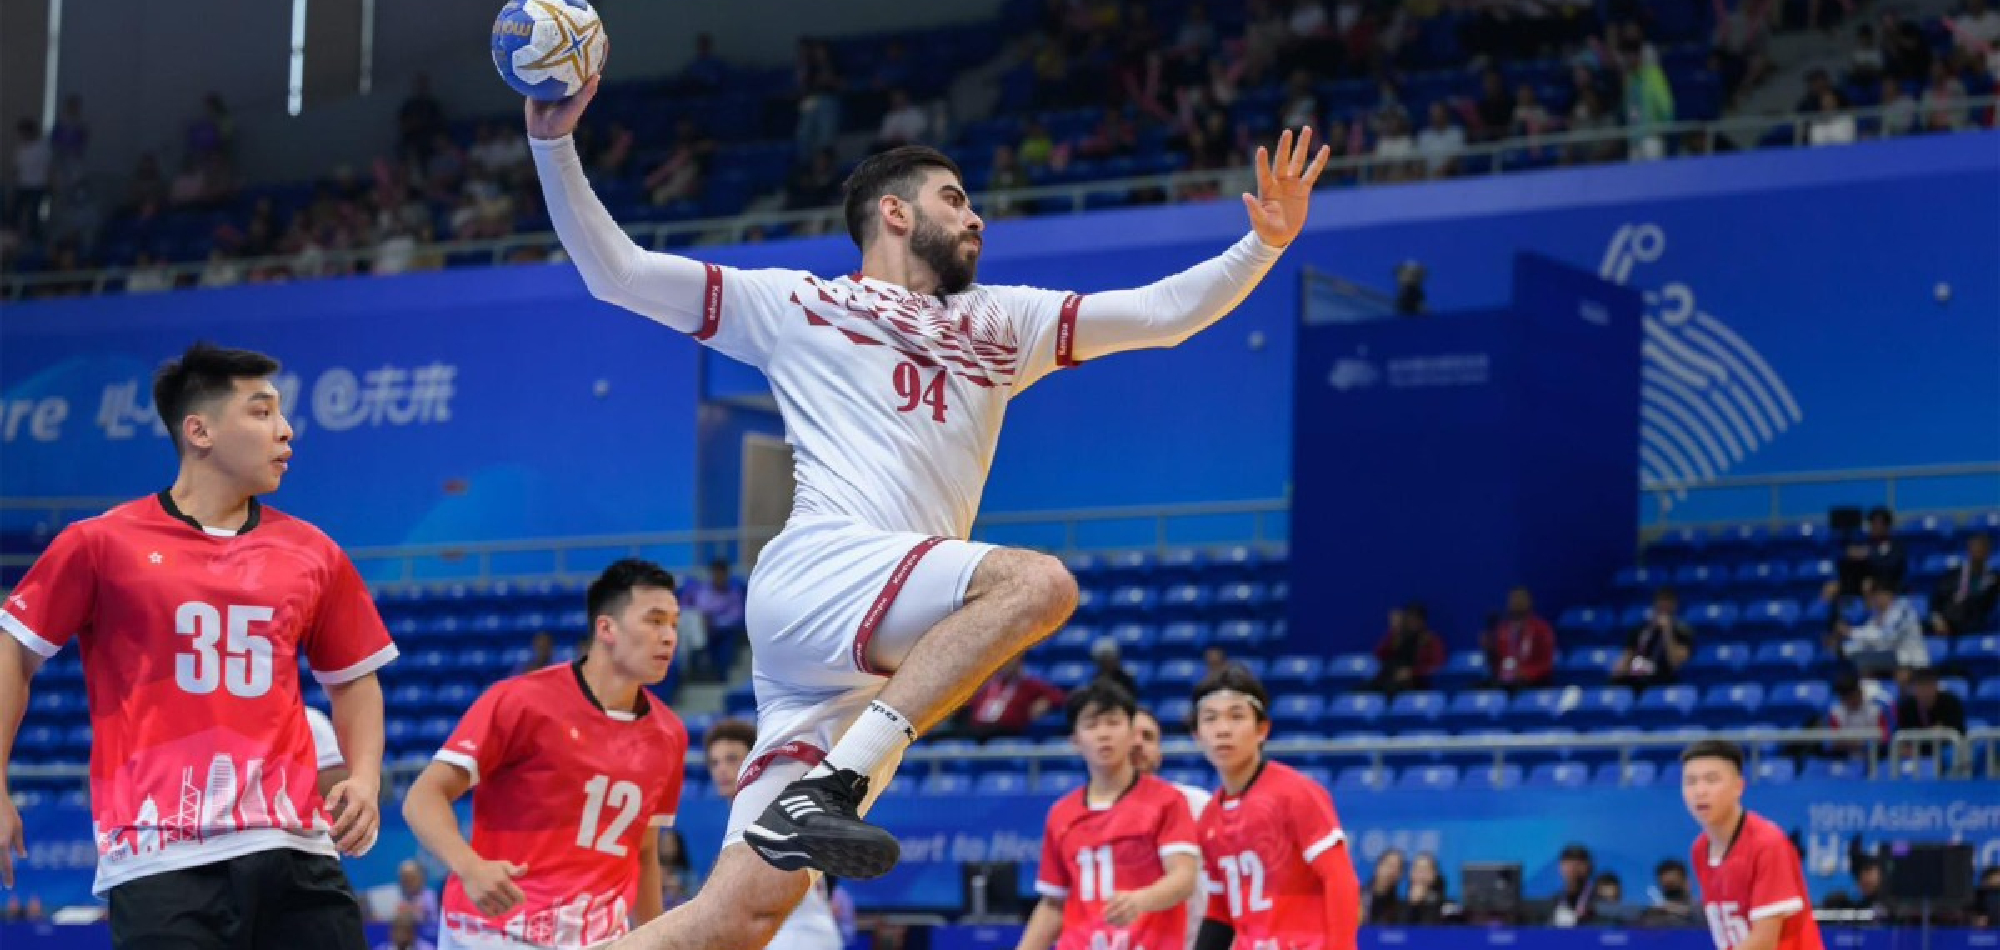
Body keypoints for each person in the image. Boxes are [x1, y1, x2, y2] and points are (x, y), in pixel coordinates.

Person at [526, 76, 1331, 950]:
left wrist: (1261, 244)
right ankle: (829, 791)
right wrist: (551, 140)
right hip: (828, 570)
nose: (977, 217)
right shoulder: (797, 303)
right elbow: (616, 272)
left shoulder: (1005, 321)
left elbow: (1163, 315)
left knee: (737, 920)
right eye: (956, 199)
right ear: (895, 214)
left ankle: (818, 791)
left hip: (874, 654)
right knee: (1037, 584)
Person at [0, 342, 392, 949]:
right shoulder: (100, 544)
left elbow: (354, 679)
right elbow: (13, 651)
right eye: (262, 413)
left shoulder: (315, 552)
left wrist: (364, 778)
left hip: (295, 845)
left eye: (281, 414)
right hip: (160, 855)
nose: (286, 431)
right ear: (199, 430)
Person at [401, 559, 688, 950]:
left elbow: (644, 848)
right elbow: (423, 796)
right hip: (494, 932)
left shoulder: (670, 734)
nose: (669, 636)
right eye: (654, 621)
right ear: (606, 629)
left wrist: (657, 940)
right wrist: (469, 867)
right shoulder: (522, 701)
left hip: (599, 938)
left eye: (673, 623)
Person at [1016, 682, 1200, 950]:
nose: (1103, 734)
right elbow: (1053, 905)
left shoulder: (1167, 801)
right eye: (1091, 726)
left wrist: (1141, 900)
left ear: (1130, 732)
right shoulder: (1061, 813)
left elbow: (1184, 877)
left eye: (1113, 723)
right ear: (1076, 741)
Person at [1188, 665, 1359, 950]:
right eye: (1210, 719)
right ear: (1197, 736)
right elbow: (1220, 912)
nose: (1223, 729)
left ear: (1262, 730)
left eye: (1236, 716)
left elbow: (1340, 879)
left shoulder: (1296, 793)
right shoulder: (1208, 819)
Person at [703, 718, 845, 950]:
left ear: (754, 761)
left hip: (797, 936)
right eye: (714, 762)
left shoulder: (766, 811)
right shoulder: (748, 815)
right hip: (798, 933)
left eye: (731, 758)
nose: (721, 769)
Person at [1681, 739, 1825, 950]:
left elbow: (1764, 943)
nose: (1699, 791)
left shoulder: (1767, 844)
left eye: (1711, 780)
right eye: (1690, 781)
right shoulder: (1700, 850)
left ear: (1739, 787)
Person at [1133, 707, 1211, 948]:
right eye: (1130, 734)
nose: (1138, 743)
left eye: (1148, 737)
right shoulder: (1090, 813)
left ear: (1159, 754)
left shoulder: (1197, 804)